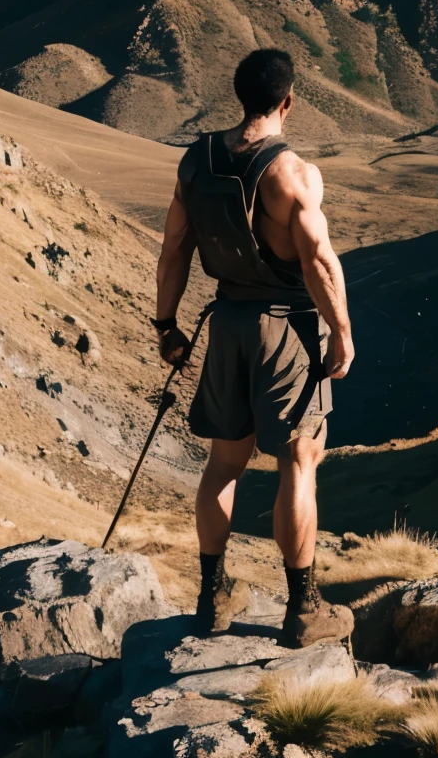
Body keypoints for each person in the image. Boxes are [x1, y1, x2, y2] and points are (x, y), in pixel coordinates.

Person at [154, 47, 355, 648]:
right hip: (286, 327)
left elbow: (173, 251)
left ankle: (211, 599)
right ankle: (303, 609)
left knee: (223, 464)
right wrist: (341, 332)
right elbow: (318, 261)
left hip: (226, 325)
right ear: (287, 100)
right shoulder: (292, 175)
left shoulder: (196, 162)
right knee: (298, 462)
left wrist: (166, 325)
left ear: (239, 95)